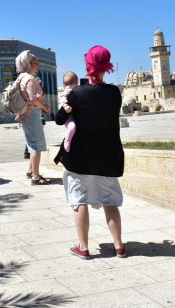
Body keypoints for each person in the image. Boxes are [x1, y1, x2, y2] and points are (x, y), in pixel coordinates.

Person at [54, 45, 126, 260]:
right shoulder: (115, 93)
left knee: (80, 200)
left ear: (87, 66)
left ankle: (84, 247)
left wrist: (68, 106)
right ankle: (119, 246)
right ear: (107, 66)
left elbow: (59, 119)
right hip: (109, 157)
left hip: (81, 157)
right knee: (110, 201)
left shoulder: (77, 93)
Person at [14, 50, 51, 185]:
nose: (38, 65)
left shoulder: (21, 77)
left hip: (26, 114)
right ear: (28, 63)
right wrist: (45, 107)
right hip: (32, 114)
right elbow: (33, 99)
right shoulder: (29, 79)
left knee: (31, 143)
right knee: (37, 145)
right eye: (35, 62)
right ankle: (36, 177)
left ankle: (30, 170)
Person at [59, 71, 79, 152]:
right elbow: (63, 99)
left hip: (74, 116)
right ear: (77, 84)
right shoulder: (67, 92)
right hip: (69, 118)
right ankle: (67, 141)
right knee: (72, 127)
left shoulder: (75, 91)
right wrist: (66, 106)